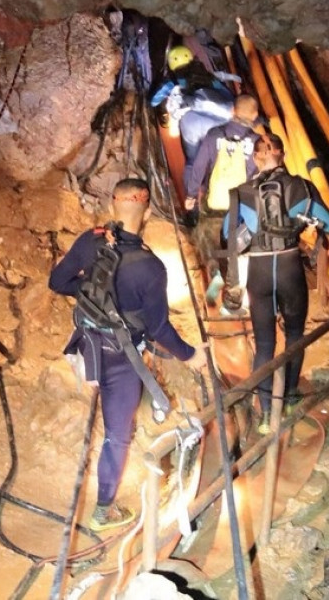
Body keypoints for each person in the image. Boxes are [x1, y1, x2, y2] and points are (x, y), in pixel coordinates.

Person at [49, 178, 207, 531]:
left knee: (111, 410)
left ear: (111, 207)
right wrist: (189, 355)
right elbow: (158, 328)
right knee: (116, 434)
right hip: (122, 361)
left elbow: (57, 282)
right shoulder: (151, 267)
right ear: (148, 212)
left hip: (86, 347)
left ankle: (106, 503)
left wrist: (91, 296)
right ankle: (103, 509)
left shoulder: (90, 240)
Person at [221, 135, 329, 434]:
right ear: (283, 154)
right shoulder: (301, 186)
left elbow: (227, 234)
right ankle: (286, 400)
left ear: (256, 157)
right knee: (295, 336)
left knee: (264, 344)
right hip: (289, 269)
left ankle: (264, 415)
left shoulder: (240, 193)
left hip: (258, 273)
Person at [184, 94, 263, 315]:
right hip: (241, 205)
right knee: (237, 246)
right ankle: (235, 287)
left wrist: (191, 194)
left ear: (232, 112)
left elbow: (199, 166)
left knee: (210, 242)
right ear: (255, 116)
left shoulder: (214, 135)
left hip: (214, 201)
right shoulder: (258, 142)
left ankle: (214, 276)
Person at [150, 45, 238, 172]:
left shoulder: (173, 81)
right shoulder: (208, 76)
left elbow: (154, 101)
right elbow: (227, 95)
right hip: (222, 120)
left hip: (195, 126)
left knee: (194, 158)